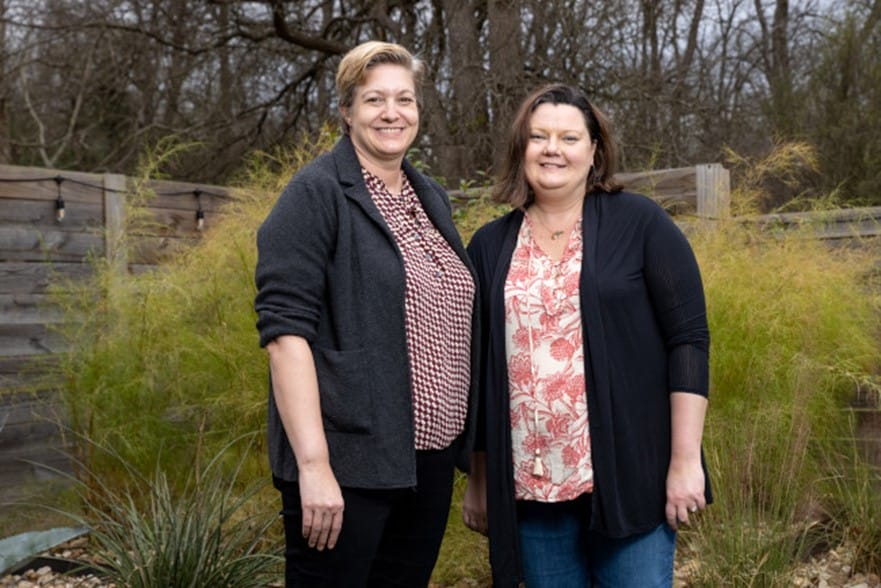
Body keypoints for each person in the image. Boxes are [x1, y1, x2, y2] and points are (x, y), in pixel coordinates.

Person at [462, 83, 711, 587]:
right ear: (522, 149)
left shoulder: (640, 223)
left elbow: (688, 340)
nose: (553, 148)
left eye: (569, 137)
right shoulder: (490, 245)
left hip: (631, 479)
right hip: (531, 492)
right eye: (539, 136)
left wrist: (686, 462)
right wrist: (480, 480)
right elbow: (481, 374)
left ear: (594, 150)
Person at [254, 41, 479, 587]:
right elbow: (285, 337)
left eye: (404, 99)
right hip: (347, 464)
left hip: (425, 461)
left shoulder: (430, 196)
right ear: (347, 110)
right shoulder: (316, 194)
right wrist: (313, 467)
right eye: (374, 99)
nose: (391, 113)